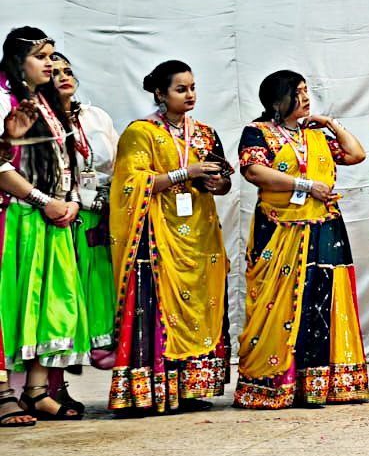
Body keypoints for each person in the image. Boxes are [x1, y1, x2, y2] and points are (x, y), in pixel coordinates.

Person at [235, 71, 369, 409]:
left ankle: (317, 385)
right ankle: (274, 385)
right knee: (277, 304)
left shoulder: (315, 135)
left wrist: (330, 123)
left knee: (321, 301)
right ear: (277, 100)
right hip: (279, 230)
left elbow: (356, 154)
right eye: (298, 92)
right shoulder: (258, 132)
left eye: (307, 91)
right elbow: (254, 171)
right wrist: (306, 186)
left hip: (324, 227)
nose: (307, 98)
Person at [108, 59, 234, 415]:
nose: (190, 95)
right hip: (156, 234)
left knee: (203, 306)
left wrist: (216, 182)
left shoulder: (205, 133)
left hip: (200, 234)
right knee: (154, 306)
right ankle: (149, 392)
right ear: (160, 93)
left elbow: (225, 183)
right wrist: (184, 172)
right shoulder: (141, 132)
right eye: (181, 89)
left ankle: (192, 388)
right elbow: (130, 183)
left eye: (193, 88)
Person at [0, 28, 91, 422]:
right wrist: (43, 201)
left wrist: (70, 201)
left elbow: (66, 162)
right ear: (17, 62)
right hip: (16, 217)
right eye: (41, 56)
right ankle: (3, 393)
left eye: (52, 56)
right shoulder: (4, 99)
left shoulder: (48, 102)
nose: (50, 64)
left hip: (52, 218)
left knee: (53, 305)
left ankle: (37, 391)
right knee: (11, 304)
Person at [50, 52, 117, 370]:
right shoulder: (43, 120)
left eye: (67, 70)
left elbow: (118, 162)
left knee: (100, 275)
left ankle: (101, 340)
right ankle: (67, 353)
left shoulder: (96, 116)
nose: (64, 76)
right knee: (68, 282)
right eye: (55, 72)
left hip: (101, 209)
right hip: (63, 209)